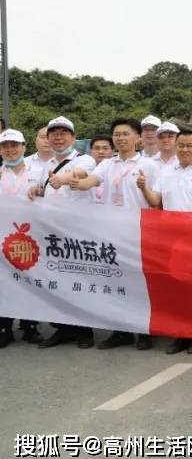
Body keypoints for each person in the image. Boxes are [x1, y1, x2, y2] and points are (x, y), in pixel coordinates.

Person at [69, 119, 160, 351]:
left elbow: (157, 200)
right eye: (116, 134)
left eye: (125, 134)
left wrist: (143, 187)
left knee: (141, 283)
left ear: (137, 137)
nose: (120, 138)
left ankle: (146, 331)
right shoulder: (108, 164)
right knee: (117, 281)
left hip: (140, 232)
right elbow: (91, 181)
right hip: (111, 233)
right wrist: (75, 182)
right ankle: (122, 331)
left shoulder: (149, 165)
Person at [139, 129, 192, 355]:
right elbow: (156, 200)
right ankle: (179, 334)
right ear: (176, 147)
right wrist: (143, 187)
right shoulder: (166, 172)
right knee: (175, 289)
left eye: (190, 146)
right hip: (171, 240)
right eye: (181, 145)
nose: (185, 150)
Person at [27, 117, 97, 349]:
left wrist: (63, 179)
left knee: (79, 281)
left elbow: (78, 174)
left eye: (63, 133)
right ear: (48, 139)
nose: (58, 137)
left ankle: (84, 330)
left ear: (73, 138)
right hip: (49, 235)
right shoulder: (45, 165)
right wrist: (34, 190)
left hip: (76, 235)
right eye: (53, 133)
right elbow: (41, 189)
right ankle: (63, 329)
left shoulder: (84, 158)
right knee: (56, 281)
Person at [0, 129, 46, 348]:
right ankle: (4, 328)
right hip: (2, 239)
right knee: (3, 284)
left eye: (14, 145)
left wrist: (40, 191)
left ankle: (30, 327)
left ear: (24, 147)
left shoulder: (38, 171)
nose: (10, 150)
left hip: (31, 239)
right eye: (5, 146)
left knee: (29, 281)